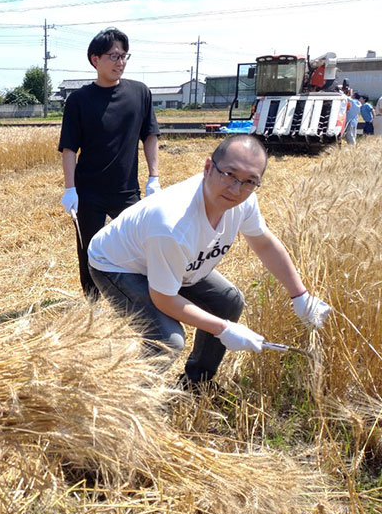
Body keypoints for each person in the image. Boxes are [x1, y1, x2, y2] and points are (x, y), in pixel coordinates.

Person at [86, 135, 331, 387]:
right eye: (229, 175)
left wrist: (300, 296)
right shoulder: (173, 224)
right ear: (207, 168)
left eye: (249, 181)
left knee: (228, 301)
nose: (236, 189)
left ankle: (196, 382)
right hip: (118, 264)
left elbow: (264, 243)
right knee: (167, 338)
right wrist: (223, 329)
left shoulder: (244, 203)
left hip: (169, 260)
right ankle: (128, 400)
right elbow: (163, 298)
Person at [58, 27, 161, 300]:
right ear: (95, 60)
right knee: (88, 249)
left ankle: (142, 297)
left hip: (126, 191)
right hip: (88, 193)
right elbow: (69, 147)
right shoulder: (79, 100)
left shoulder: (140, 93)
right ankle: (93, 302)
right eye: (113, 56)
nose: (120, 62)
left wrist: (154, 177)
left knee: (139, 245)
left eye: (124, 56)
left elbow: (150, 135)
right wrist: (70, 189)